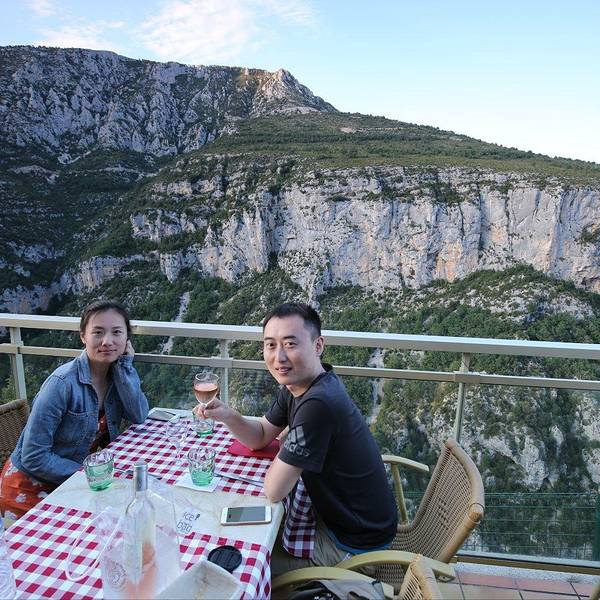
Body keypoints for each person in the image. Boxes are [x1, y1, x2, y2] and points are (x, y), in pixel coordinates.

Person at [199, 302, 398, 575]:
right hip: (343, 519)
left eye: (290, 344)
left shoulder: (318, 404)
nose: (279, 357)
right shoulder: (301, 384)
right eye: (270, 345)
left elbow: (274, 490)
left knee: (244, 568)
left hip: (355, 547)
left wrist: (290, 440)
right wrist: (228, 415)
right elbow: (260, 436)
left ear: (318, 346)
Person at [0, 300, 149, 519]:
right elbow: (33, 457)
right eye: (98, 332)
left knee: (132, 511)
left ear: (127, 338)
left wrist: (126, 366)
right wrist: (91, 473)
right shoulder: (61, 384)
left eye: (117, 332)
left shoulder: (117, 375)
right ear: (83, 336)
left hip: (76, 480)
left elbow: (139, 414)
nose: (107, 341)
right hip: (28, 488)